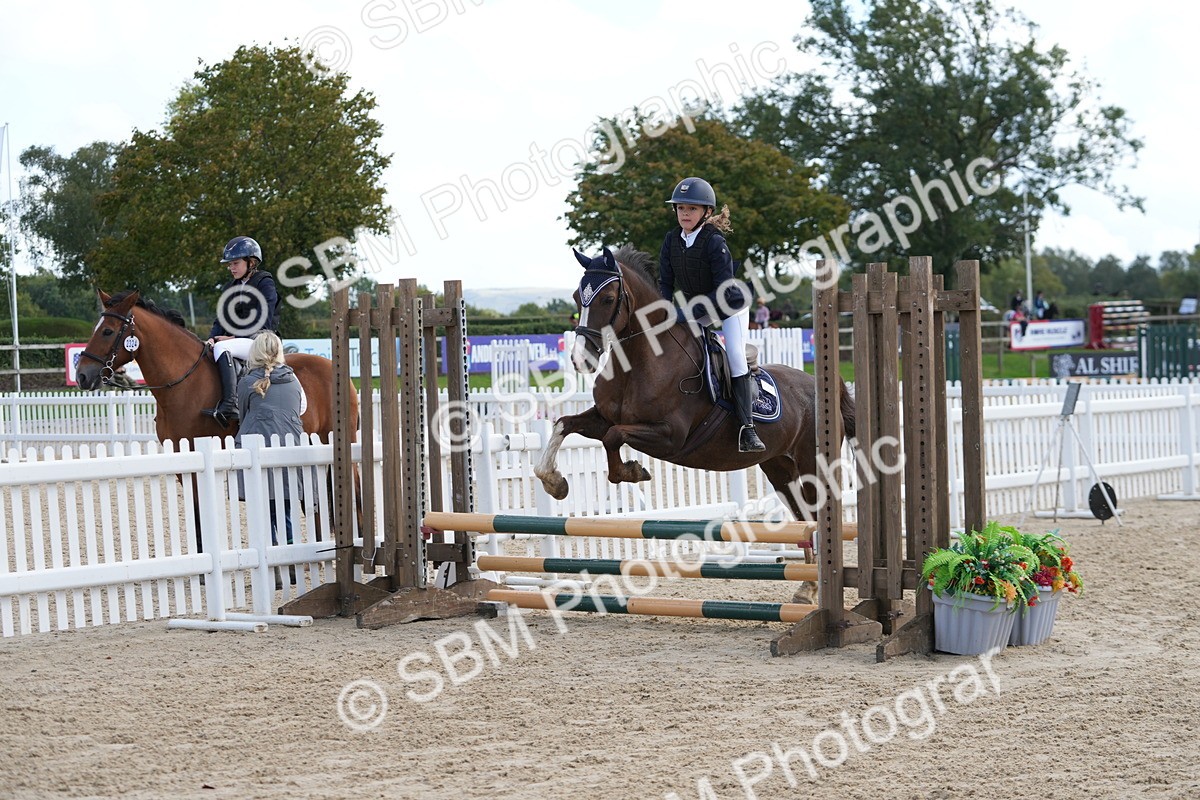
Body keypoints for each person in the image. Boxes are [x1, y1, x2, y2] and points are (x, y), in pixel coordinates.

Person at [658, 176, 764, 453]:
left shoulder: (714, 242)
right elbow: (665, 283)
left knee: (736, 357)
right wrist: (662, 311)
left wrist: (684, 313)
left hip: (729, 305)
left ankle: (747, 429)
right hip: (700, 305)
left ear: (706, 212)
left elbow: (721, 294)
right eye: (680, 208)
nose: (684, 214)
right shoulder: (671, 240)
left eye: (691, 209)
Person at [236, 331, 304, 550]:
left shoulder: (247, 382)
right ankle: (290, 550)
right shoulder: (293, 380)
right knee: (285, 509)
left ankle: (272, 548)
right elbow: (301, 408)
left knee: (264, 508)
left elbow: (243, 413)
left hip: (259, 447)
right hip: (290, 446)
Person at [202, 236, 281, 426]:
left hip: (262, 342)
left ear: (251, 262)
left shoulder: (265, 283)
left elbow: (264, 318)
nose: (231, 268)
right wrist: (212, 339)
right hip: (240, 340)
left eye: (236, 263)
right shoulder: (231, 287)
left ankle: (230, 404)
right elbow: (221, 319)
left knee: (223, 349)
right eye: (230, 264)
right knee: (210, 349)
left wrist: (234, 337)